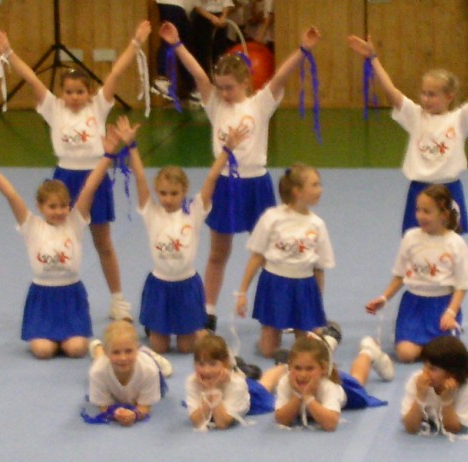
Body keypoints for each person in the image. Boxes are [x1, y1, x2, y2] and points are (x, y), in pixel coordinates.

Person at [159, 21, 321, 332]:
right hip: (224, 185)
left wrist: (303, 50)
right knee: (219, 252)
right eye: (220, 87)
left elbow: (281, 76)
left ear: (246, 81)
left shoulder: (260, 104)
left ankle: (280, 310)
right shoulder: (215, 105)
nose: (223, 92)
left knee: (273, 252)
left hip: (256, 184)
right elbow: (198, 75)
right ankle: (208, 310)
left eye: (229, 87)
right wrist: (177, 44)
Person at [0, 20, 152, 321]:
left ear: (90, 93)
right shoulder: (53, 108)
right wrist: (9, 53)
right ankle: (57, 291)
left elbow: (116, 74)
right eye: (69, 91)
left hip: (95, 177)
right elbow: (31, 78)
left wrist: (136, 43)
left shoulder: (98, 106)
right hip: (64, 179)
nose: (74, 96)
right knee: (57, 239)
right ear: (61, 93)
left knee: (103, 242)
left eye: (80, 91)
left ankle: (118, 300)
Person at [348, 34, 468, 234]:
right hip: (420, 190)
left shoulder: (459, 120)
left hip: (450, 191)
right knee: (416, 243)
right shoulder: (415, 116)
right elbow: (391, 90)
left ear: (449, 96)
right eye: (424, 93)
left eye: (432, 94)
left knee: (450, 243)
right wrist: (373, 58)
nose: (426, 99)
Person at [0, 126, 121, 359]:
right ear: (40, 207)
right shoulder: (32, 226)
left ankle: (79, 340)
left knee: (76, 349)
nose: (59, 211)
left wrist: (107, 156)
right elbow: (11, 195)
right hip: (43, 298)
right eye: (52, 207)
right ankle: (48, 337)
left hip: (71, 295)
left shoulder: (75, 222)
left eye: (63, 206)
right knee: (43, 351)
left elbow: (90, 186)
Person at [120, 115, 249, 353]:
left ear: (184, 191)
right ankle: (157, 324)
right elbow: (140, 177)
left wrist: (227, 150)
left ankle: (189, 326)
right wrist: (131, 146)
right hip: (160, 285)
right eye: (163, 193)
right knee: (159, 347)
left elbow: (211, 178)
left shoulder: (195, 211)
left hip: (187, 286)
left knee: (186, 347)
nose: (167, 199)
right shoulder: (152, 212)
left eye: (174, 193)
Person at [365, 185, 468, 363]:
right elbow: (400, 275)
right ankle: (422, 344)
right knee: (406, 355)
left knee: (442, 358)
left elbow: (462, 285)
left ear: (444, 214)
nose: (420, 216)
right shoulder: (410, 237)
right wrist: (384, 298)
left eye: (427, 211)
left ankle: (439, 346)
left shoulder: (456, 243)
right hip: (413, 306)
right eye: (418, 210)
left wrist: (450, 312)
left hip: (441, 307)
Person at [235, 163, 335, 358]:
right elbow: (256, 257)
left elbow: (319, 269)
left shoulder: (317, 225)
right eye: (314, 185)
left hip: (304, 287)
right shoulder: (272, 218)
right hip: (274, 285)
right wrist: (242, 293)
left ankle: (330, 337)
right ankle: (272, 333)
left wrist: (316, 306)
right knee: (268, 351)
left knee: (306, 350)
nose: (320, 190)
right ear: (297, 191)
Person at [274, 334, 394, 432]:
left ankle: (368, 353)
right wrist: (298, 396)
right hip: (319, 378)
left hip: (347, 392)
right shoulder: (285, 382)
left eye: (309, 369)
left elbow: (330, 424)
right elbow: (281, 420)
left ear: (323, 369)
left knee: (357, 379)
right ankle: (328, 342)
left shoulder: (329, 387)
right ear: (289, 366)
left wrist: (308, 397)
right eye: (297, 368)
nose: (303, 375)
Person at [185, 333, 286, 430]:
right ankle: (242, 367)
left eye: (213, 364)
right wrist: (209, 391)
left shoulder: (237, 384)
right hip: (227, 385)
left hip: (250, 398)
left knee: (264, 385)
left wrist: (214, 390)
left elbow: (222, 423)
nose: (206, 371)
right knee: (247, 373)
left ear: (225, 363)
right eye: (201, 364)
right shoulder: (193, 381)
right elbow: (197, 421)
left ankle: (282, 365)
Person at [87, 321, 172, 426]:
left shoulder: (149, 370)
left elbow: (145, 406)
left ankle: (149, 354)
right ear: (107, 352)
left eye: (128, 351)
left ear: (137, 349)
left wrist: (135, 415)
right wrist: (115, 414)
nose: (123, 358)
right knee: (99, 361)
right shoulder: (97, 372)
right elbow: (103, 407)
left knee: (167, 370)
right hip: (104, 363)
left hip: (146, 361)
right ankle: (98, 349)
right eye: (116, 352)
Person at [401, 336, 468, 436]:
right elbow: (410, 428)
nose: (425, 372)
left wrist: (447, 401)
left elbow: (453, 429)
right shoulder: (417, 380)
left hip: (461, 386)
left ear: (451, 373)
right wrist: (420, 397)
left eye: (432, 369)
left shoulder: (467, 387)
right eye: (424, 365)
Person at [152, 1, 196, 100]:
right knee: (170, 40)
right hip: (171, 4)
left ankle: (192, 86)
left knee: (184, 45)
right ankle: (162, 78)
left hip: (179, 6)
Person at [190, 0, 235, 75]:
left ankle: (218, 76)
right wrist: (211, 17)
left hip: (220, 19)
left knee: (219, 52)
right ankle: (203, 76)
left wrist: (223, 16)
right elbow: (196, 5)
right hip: (203, 19)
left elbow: (227, 3)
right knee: (202, 51)